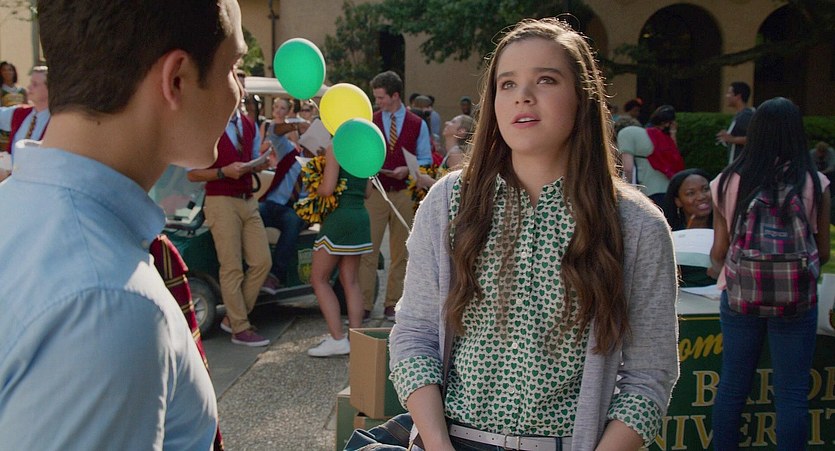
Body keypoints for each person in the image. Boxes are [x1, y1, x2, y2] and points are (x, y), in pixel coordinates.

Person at [388, 18, 679, 451]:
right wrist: (437, 444)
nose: (522, 95)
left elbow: (649, 376)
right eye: (507, 84)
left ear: (582, 97)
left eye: (546, 80)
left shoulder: (635, 225)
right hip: (453, 441)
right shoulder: (449, 203)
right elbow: (414, 336)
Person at [0, 0, 249, 447]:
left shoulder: (18, 211)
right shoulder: (110, 301)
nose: (238, 93)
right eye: (233, 67)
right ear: (177, 79)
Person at [708, 97, 831, 450]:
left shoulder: (727, 181)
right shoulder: (815, 182)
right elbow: (822, 252)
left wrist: (722, 267)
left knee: (733, 385)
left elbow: (719, 251)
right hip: (796, 300)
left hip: (740, 295)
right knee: (791, 392)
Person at [187, 73, 273, 347]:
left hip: (247, 198)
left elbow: (249, 160)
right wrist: (223, 172)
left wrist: (259, 163)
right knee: (232, 267)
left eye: (243, 88)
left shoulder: (247, 124)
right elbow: (192, 173)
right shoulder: (208, 124)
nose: (241, 92)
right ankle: (240, 327)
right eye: (237, 86)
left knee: (262, 262)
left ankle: (234, 318)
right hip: (221, 199)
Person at [362, 70, 433, 321]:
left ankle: (393, 303)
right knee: (368, 250)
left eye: (381, 97)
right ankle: (364, 304)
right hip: (377, 192)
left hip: (404, 192)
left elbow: (425, 157)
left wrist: (408, 168)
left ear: (395, 95)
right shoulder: (371, 121)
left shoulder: (417, 124)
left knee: (401, 251)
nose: (378, 102)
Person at [307, 145, 373, 357]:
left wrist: (312, 184)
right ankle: (357, 339)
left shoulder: (336, 146)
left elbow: (327, 189)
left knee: (319, 279)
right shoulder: (365, 148)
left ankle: (337, 339)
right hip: (360, 216)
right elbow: (367, 192)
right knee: (350, 281)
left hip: (340, 217)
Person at [259, 97, 308, 287]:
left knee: (292, 221)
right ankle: (248, 266)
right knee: (251, 213)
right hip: (272, 203)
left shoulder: (323, 165)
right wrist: (296, 126)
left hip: (295, 209)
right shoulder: (291, 152)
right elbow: (274, 133)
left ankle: (275, 275)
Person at [662, 168, 717, 287]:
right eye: (691, 193)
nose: (701, 197)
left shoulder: (726, 230)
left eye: (706, 189)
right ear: (678, 201)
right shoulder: (667, 234)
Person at [618, 105, 680, 205]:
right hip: (668, 189)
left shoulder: (625, 133)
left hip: (647, 192)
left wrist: (626, 193)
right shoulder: (661, 136)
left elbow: (628, 169)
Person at [716, 81, 754, 164]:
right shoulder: (739, 115)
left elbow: (754, 139)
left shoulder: (746, 116)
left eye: (729, 93)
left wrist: (732, 139)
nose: (727, 96)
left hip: (742, 166)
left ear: (738, 96)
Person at [0, 61, 26, 152]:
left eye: (10, 70)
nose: (7, 72)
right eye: (4, 70)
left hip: (19, 124)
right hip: (5, 129)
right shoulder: (1, 90)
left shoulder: (22, 90)